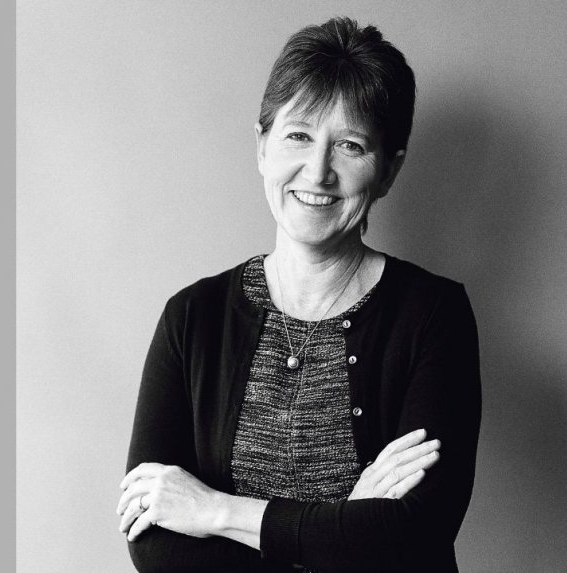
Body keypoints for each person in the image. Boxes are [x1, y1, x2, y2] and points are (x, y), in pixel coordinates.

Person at [116, 17, 481, 573]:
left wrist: (215, 511)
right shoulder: (192, 318)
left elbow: (414, 532)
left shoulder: (434, 315)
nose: (318, 171)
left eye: (351, 145)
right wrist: (344, 526)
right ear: (262, 147)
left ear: (388, 171)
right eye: (298, 136)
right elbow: (154, 544)